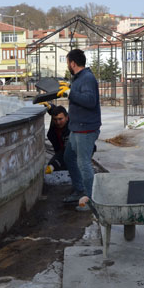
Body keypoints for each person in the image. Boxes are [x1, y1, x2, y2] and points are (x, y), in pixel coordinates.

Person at [57, 49, 101, 209]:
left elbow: (90, 101)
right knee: (69, 157)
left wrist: (70, 93)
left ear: (73, 63)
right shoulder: (79, 78)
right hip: (77, 128)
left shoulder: (87, 78)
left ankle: (91, 201)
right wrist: (70, 88)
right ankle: (80, 189)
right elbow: (80, 95)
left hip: (86, 129)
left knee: (84, 164)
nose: (67, 65)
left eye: (67, 62)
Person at [41, 104, 70, 174]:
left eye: (60, 119)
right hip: (60, 148)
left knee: (64, 166)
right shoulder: (55, 121)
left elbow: (66, 151)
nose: (58, 122)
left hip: (74, 152)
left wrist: (53, 165)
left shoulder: (70, 129)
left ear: (67, 118)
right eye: (55, 119)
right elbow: (54, 110)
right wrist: (49, 106)